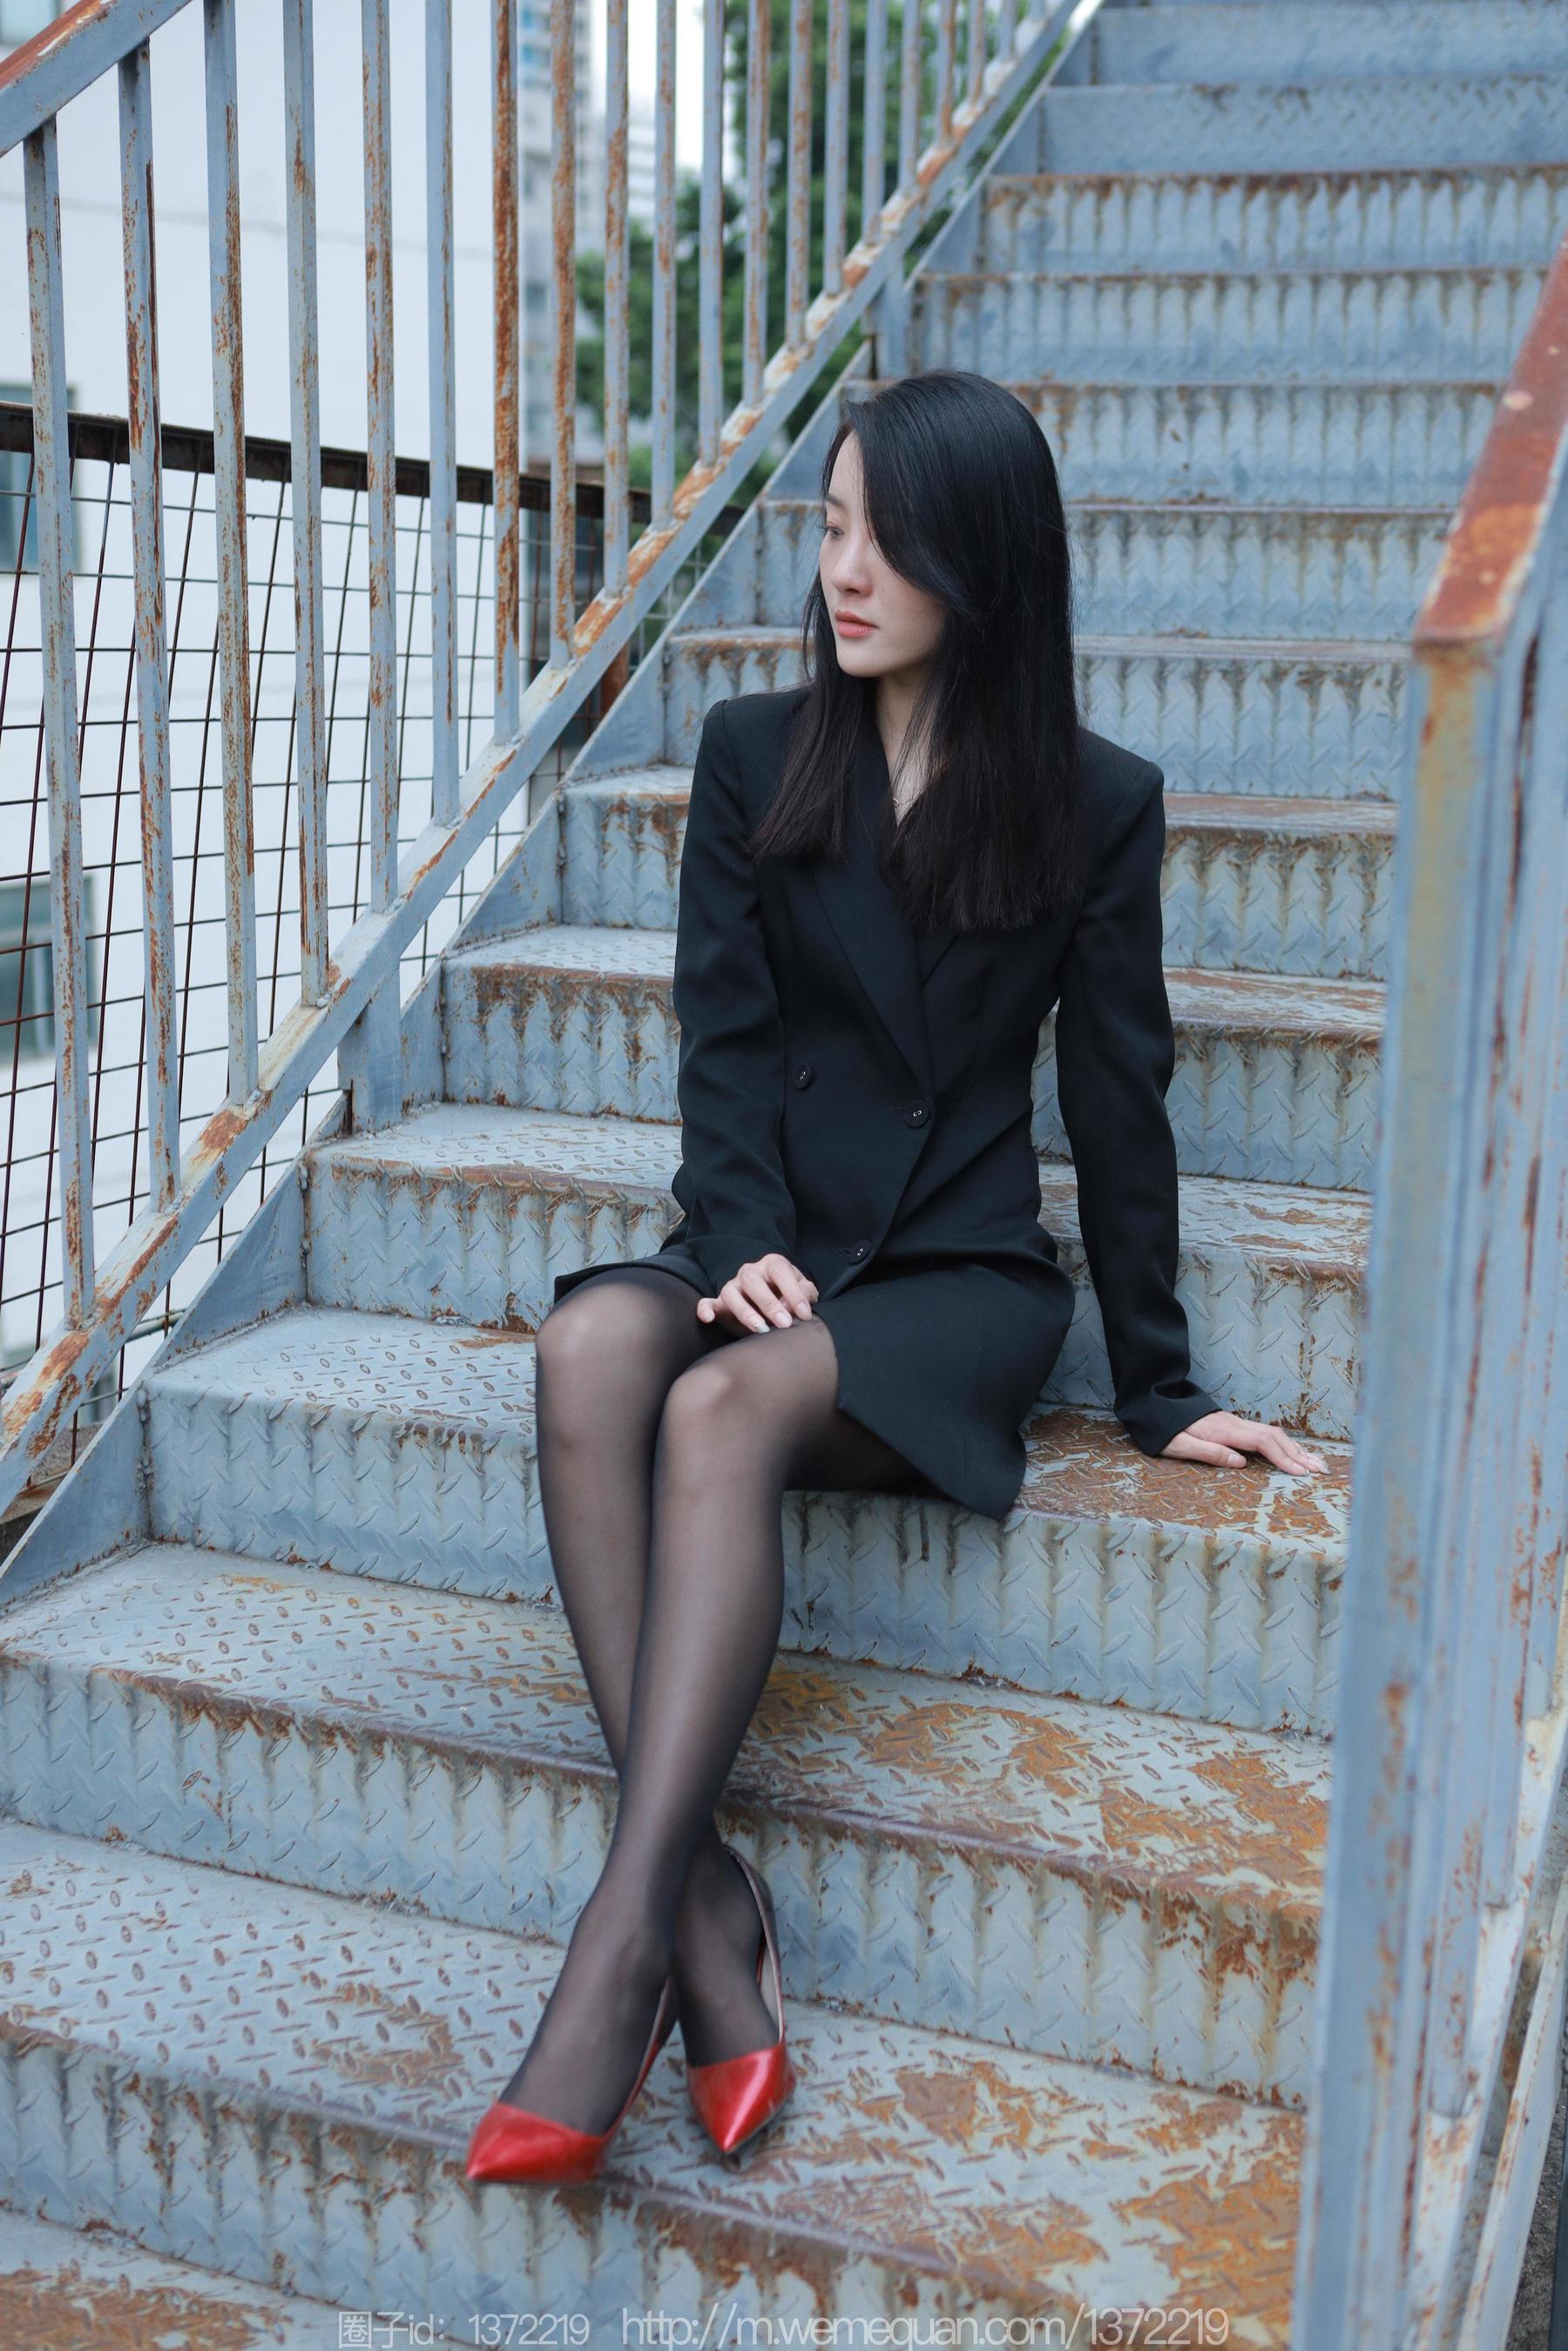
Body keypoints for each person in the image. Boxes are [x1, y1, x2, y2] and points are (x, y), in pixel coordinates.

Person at [464, 369, 1326, 2189]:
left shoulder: (1094, 804)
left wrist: (1161, 1385)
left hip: (953, 1276)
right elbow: (723, 1046)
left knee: (716, 1409)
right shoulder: (756, 754)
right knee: (589, 1349)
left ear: (982, 560)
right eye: (832, 527)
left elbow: (1119, 1097)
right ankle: (708, 1909)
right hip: (778, 1238)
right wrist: (738, 1239)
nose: (842, 571)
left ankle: (624, 1954)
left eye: (886, 538)